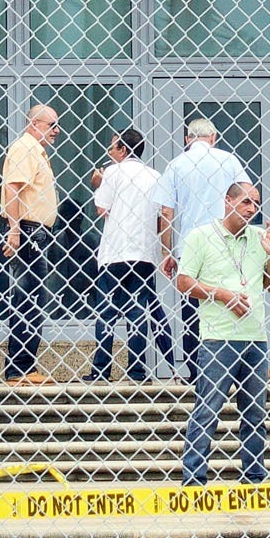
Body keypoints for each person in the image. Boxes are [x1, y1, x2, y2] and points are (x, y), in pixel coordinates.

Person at [167, 181, 270, 486]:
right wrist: (221, 295)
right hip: (217, 336)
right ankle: (194, 479)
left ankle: (254, 477)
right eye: (246, 202)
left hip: (255, 337)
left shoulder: (259, 237)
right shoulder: (201, 236)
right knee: (208, 409)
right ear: (227, 201)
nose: (252, 208)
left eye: (256, 203)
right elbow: (183, 282)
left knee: (256, 413)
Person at [156, 120, 251, 380]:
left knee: (193, 306)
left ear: (188, 139)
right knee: (228, 298)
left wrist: (168, 252)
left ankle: (196, 368)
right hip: (225, 239)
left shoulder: (176, 165)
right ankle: (230, 367)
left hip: (190, 243)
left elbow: (166, 211)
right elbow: (248, 196)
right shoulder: (229, 160)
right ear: (213, 137)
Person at [88, 129, 167, 381]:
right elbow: (160, 216)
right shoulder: (155, 176)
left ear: (123, 150)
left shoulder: (112, 172)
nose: (109, 153)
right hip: (144, 252)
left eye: (112, 148)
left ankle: (101, 369)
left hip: (115, 250)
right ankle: (136, 370)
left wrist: (97, 184)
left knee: (107, 311)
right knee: (137, 311)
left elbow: (102, 208)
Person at [0, 104, 61, 384]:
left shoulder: (36, 150)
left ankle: (24, 365)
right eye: (51, 125)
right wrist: (15, 229)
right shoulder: (25, 148)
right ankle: (20, 367)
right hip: (28, 230)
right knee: (29, 298)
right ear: (34, 124)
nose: (57, 130)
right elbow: (13, 188)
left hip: (34, 230)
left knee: (33, 298)